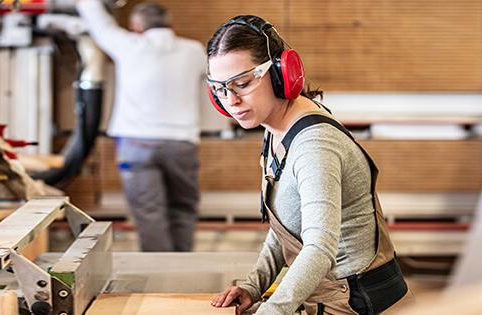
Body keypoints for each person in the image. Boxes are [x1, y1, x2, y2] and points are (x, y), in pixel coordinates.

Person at [205, 16, 409, 314]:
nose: (231, 100)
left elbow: (319, 248)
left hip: (355, 303)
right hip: (324, 296)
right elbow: (287, 224)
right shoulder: (275, 127)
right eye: (220, 89)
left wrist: (272, 311)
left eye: (242, 84)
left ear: (280, 74)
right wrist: (253, 285)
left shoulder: (314, 146)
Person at [76, 0, 206, 252]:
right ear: (168, 23)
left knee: (149, 213)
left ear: (136, 25)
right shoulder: (194, 51)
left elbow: (95, 17)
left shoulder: (128, 45)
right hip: (181, 144)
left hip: (136, 144)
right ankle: (183, 268)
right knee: (183, 207)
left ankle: (159, 275)